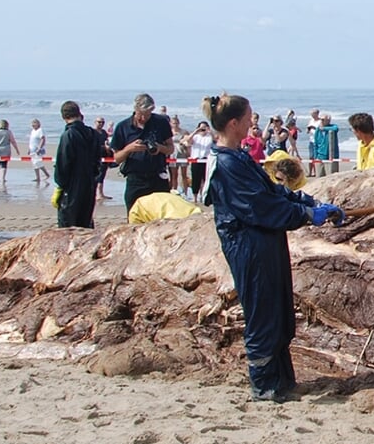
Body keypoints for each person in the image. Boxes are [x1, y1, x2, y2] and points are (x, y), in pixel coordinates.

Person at [202, 93, 343, 402]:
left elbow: (272, 191)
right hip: (248, 245)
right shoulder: (225, 164)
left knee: (279, 310)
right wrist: (305, 216)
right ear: (234, 122)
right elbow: (259, 206)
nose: (254, 121)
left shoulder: (238, 157)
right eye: (250, 116)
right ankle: (265, 385)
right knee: (262, 312)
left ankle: (283, 381)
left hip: (266, 241)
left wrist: (311, 203)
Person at [111, 93, 175, 212]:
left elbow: (171, 148)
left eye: (147, 115)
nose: (143, 118)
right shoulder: (123, 127)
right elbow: (116, 158)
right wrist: (129, 149)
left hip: (157, 176)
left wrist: (159, 148)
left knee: (161, 218)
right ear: (135, 110)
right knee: (134, 216)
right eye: (141, 114)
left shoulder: (161, 123)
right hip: (135, 179)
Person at [53, 101, 101, 228]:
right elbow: (98, 160)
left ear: (64, 117)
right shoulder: (93, 134)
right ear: (80, 115)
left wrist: (60, 185)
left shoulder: (68, 135)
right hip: (90, 184)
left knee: (68, 228)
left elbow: (63, 165)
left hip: (72, 187)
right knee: (86, 225)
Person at [128, 191, 204, 223]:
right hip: (194, 212)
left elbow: (135, 229)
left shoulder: (137, 208)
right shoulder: (170, 196)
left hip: (173, 217)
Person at [91, 116, 111, 200]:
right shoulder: (92, 132)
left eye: (102, 122)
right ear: (95, 122)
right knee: (97, 175)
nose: (101, 124)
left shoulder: (103, 132)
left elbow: (107, 141)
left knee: (102, 174)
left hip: (104, 156)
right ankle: (97, 193)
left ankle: (100, 193)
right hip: (95, 156)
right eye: (99, 122)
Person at [29, 118, 51, 189]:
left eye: (34, 123)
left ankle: (46, 174)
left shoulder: (40, 130)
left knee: (37, 163)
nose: (33, 125)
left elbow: (43, 139)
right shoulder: (33, 131)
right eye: (32, 123)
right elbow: (31, 141)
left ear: (38, 124)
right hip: (32, 149)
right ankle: (38, 177)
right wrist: (29, 149)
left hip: (38, 150)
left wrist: (39, 148)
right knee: (35, 164)